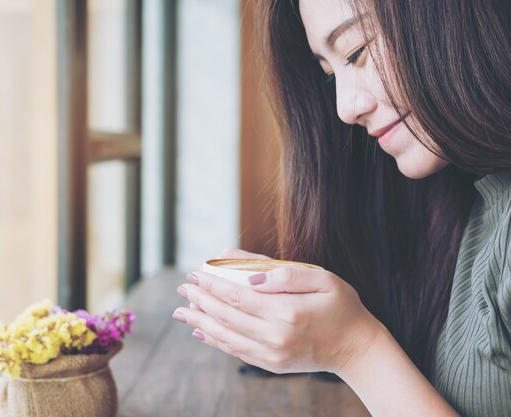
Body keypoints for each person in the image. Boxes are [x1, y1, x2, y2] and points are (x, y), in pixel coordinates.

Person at [172, 0, 511, 416]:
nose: (345, 109)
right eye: (331, 75)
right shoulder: (473, 201)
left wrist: (356, 348)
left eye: (356, 51)